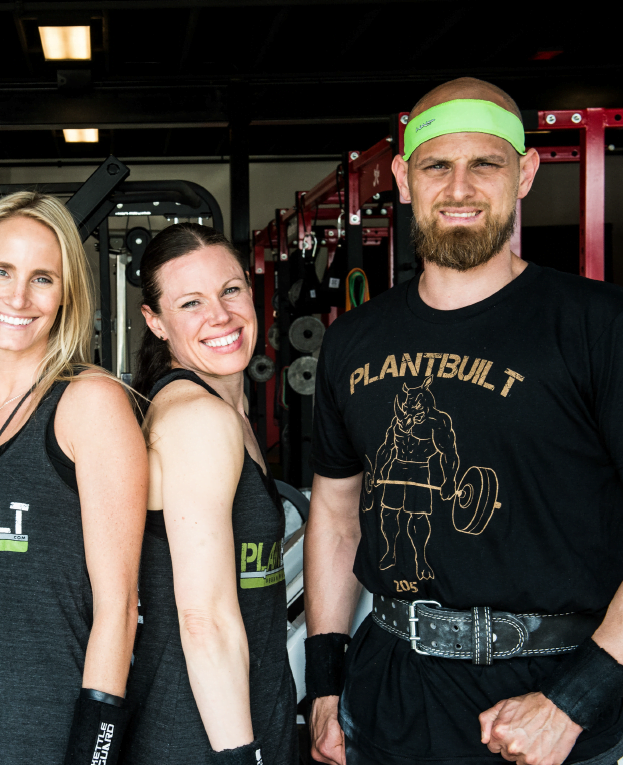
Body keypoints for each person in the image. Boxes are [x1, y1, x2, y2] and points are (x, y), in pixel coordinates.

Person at [306, 77, 623, 765]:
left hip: (551, 710)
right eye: (436, 166)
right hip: (387, 701)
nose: (459, 188)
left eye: (485, 164)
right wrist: (325, 681)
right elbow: (336, 510)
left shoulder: (599, 325)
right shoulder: (353, 339)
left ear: (525, 173)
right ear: (403, 178)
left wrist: (577, 700)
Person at [0, 192, 148, 765]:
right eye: (0, 271)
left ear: (66, 294)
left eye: (42, 278)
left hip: (50, 741)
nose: (17, 297)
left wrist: (92, 752)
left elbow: (119, 607)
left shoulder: (89, 403)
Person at [123, 223, 297, 765]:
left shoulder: (225, 413)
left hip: (245, 708)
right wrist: (239, 757)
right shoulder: (196, 418)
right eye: (191, 303)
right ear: (155, 321)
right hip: (200, 734)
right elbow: (205, 620)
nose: (221, 316)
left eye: (231, 290)